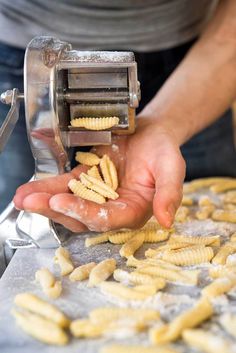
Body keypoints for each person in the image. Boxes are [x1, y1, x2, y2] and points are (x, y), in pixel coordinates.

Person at [1, 0, 236, 232]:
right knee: (25, 218)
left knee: (209, 203)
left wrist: (165, 122)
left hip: (198, 54)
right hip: (25, 54)